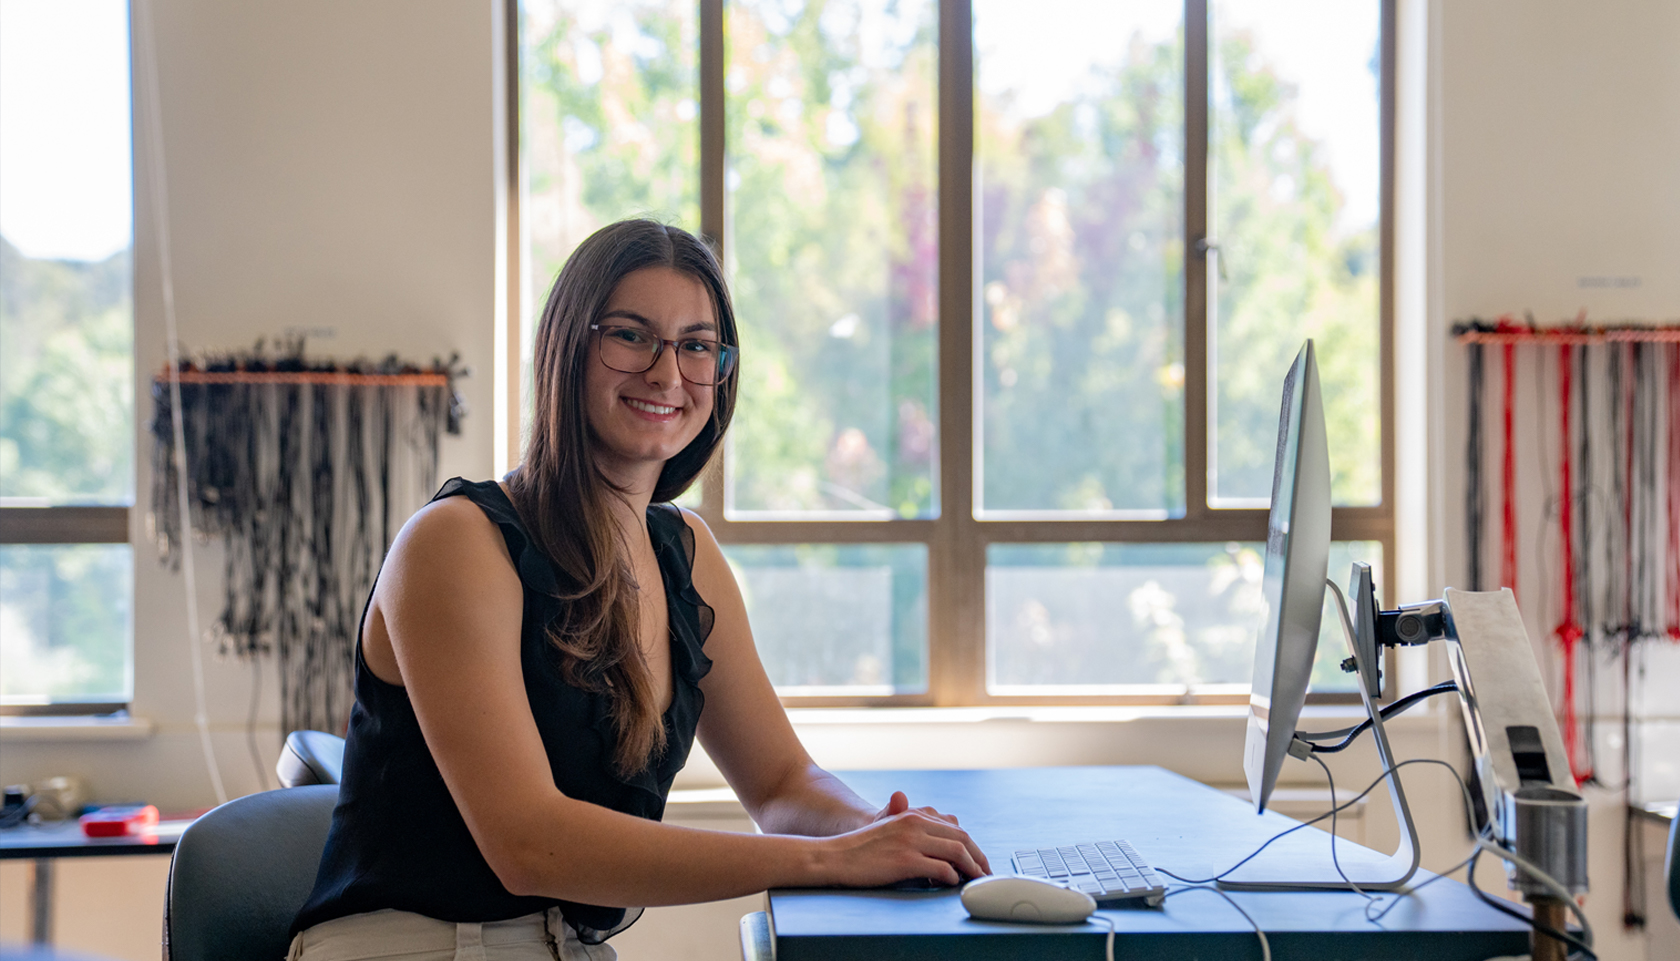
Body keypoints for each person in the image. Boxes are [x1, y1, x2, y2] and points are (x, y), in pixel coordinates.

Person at [288, 220, 989, 961]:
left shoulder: (685, 552)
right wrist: (827, 860)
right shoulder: (455, 543)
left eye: (695, 345)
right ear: (568, 348)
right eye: (631, 335)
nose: (666, 373)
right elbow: (529, 843)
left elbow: (784, 783)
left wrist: (878, 828)